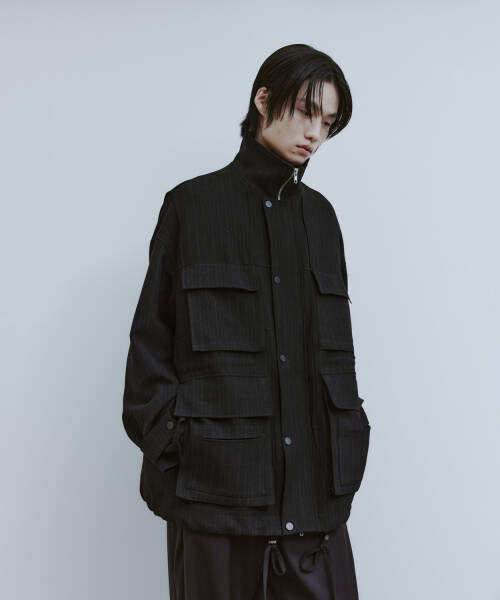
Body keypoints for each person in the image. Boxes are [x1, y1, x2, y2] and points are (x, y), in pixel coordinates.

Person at [122, 43, 371, 599]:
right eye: (306, 111)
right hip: (215, 503)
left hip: (314, 504)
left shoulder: (322, 220)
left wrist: (349, 437)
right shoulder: (192, 207)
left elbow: (337, 357)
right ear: (263, 99)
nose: (315, 134)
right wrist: (183, 448)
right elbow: (148, 352)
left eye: (328, 123)